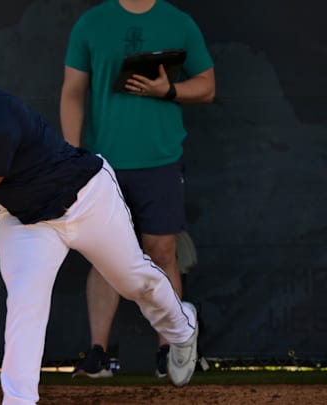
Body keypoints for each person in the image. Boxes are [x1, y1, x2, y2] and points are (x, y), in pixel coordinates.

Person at [0, 27, 200, 404]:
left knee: (134, 282)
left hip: (86, 198)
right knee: (25, 303)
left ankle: (182, 327)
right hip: (27, 218)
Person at [59, 0, 215, 378]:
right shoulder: (91, 23)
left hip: (160, 160)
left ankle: (170, 350)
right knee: (103, 256)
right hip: (102, 164)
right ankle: (97, 354)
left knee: (163, 252)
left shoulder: (178, 22)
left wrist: (169, 90)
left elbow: (207, 86)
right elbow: (73, 92)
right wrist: (72, 156)